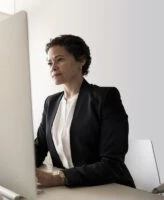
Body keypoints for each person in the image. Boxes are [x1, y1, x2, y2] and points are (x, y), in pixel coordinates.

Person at [35, 35, 135, 188]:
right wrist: (16, 168)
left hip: (108, 188)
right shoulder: (51, 102)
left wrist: (60, 178)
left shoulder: (105, 98)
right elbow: (39, 147)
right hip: (69, 191)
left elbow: (112, 165)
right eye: (50, 62)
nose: (53, 67)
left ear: (81, 60)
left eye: (59, 59)